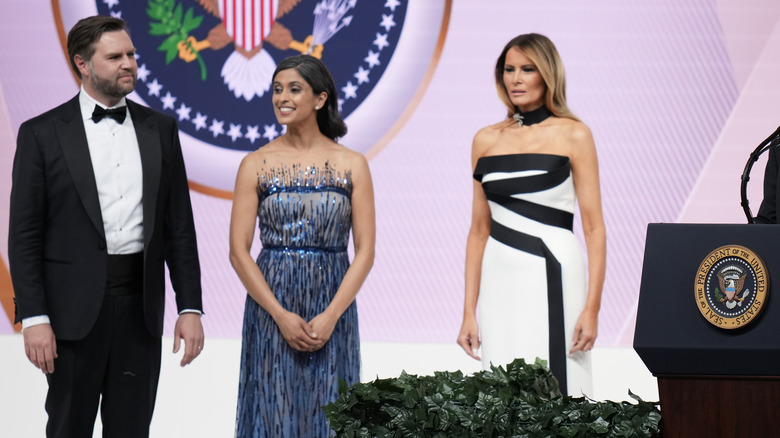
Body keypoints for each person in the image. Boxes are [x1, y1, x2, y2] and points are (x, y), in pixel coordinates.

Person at [8, 15, 204, 437]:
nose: (128, 64)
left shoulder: (162, 129)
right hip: (69, 316)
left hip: (140, 311)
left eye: (131, 54)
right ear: (82, 63)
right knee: (67, 429)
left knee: (132, 430)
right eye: (114, 56)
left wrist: (190, 307)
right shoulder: (41, 134)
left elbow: (179, 229)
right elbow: (23, 238)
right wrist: (34, 317)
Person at [229, 54, 375, 437]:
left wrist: (330, 317)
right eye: (277, 90)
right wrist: (278, 314)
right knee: (271, 409)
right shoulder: (255, 163)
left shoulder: (352, 163)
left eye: (294, 89)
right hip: (271, 304)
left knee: (330, 413)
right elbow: (238, 251)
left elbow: (366, 252)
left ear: (320, 98)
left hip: (333, 302)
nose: (282, 98)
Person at [456, 33, 606, 397]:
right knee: (501, 390)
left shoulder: (575, 135)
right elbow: (478, 231)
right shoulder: (485, 139)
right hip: (499, 274)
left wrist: (592, 309)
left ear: (548, 75)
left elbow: (594, 227)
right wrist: (468, 312)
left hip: (554, 270)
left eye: (527, 69)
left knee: (560, 388)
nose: (516, 79)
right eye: (509, 70)